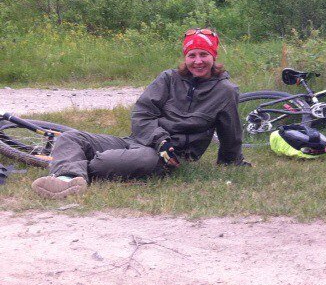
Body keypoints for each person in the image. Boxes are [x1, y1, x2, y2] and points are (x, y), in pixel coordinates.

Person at [31, 28, 247, 199]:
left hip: (168, 157)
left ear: (214, 57)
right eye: (192, 55)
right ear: (185, 57)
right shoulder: (168, 78)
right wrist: (158, 139)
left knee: (106, 161)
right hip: (138, 141)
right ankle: (68, 179)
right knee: (71, 137)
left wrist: (232, 160)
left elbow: (231, 130)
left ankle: (69, 171)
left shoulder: (225, 91)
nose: (197, 61)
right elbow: (142, 114)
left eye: (204, 55)